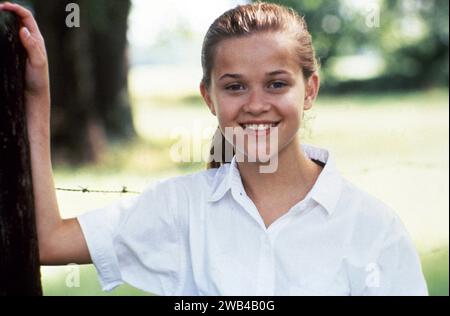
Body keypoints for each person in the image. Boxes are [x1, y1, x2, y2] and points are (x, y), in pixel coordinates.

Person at [0, 1, 428, 296]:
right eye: (235, 86)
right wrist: (38, 97)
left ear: (309, 89)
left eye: (277, 83)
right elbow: (49, 242)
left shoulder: (373, 230)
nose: (256, 104)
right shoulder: (180, 208)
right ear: (209, 98)